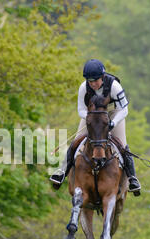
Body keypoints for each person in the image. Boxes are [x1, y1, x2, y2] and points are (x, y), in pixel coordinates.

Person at [50, 59, 141, 195]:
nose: (92, 84)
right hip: (93, 116)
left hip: (114, 114)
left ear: (102, 77)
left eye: (95, 80)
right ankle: (62, 171)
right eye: (89, 81)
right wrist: (91, 119)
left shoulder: (114, 86)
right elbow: (81, 109)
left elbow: (124, 109)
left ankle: (132, 178)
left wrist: (113, 123)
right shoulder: (83, 87)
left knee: (122, 145)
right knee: (76, 142)